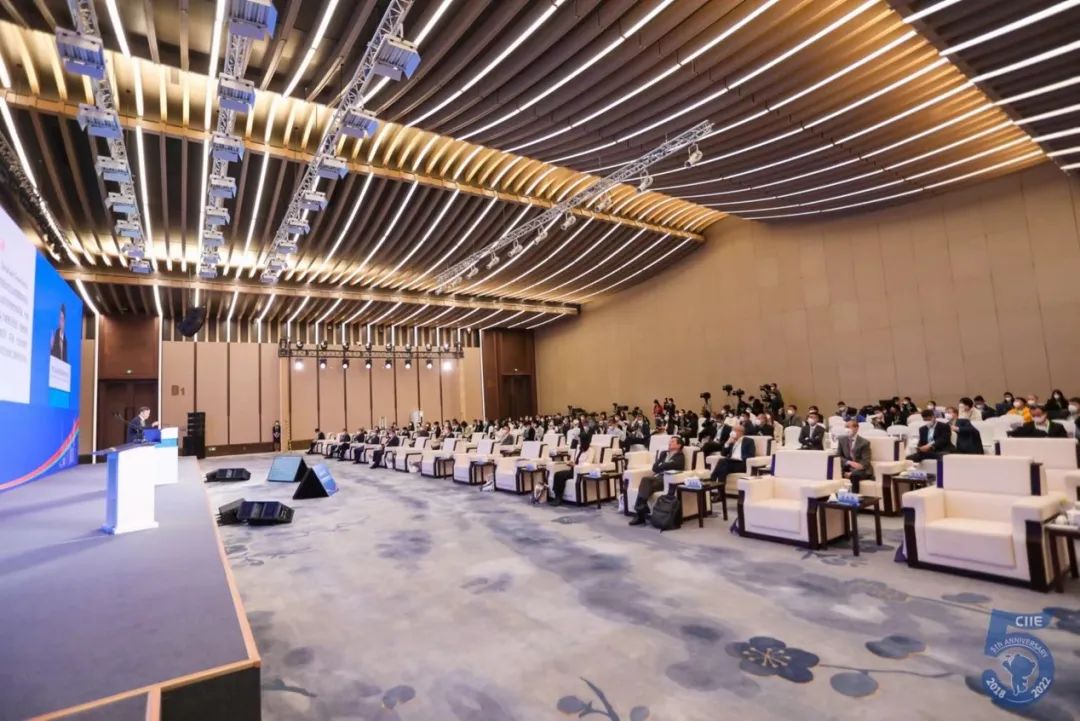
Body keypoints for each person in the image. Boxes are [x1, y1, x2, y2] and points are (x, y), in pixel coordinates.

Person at [628, 436, 686, 526]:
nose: (669, 443)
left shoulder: (680, 456)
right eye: (669, 441)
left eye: (672, 442)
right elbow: (655, 468)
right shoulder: (664, 454)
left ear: (679, 445)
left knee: (646, 480)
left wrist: (662, 465)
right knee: (646, 482)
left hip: (666, 480)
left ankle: (640, 513)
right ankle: (641, 510)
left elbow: (675, 466)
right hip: (657, 478)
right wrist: (664, 465)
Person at [837, 420, 873, 492]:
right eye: (845, 427)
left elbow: (866, 462)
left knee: (854, 476)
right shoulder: (841, 439)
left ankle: (854, 496)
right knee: (834, 473)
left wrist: (852, 473)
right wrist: (848, 462)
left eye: (848, 427)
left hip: (861, 470)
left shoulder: (864, 442)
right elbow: (838, 456)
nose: (846, 429)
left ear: (856, 428)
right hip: (847, 467)